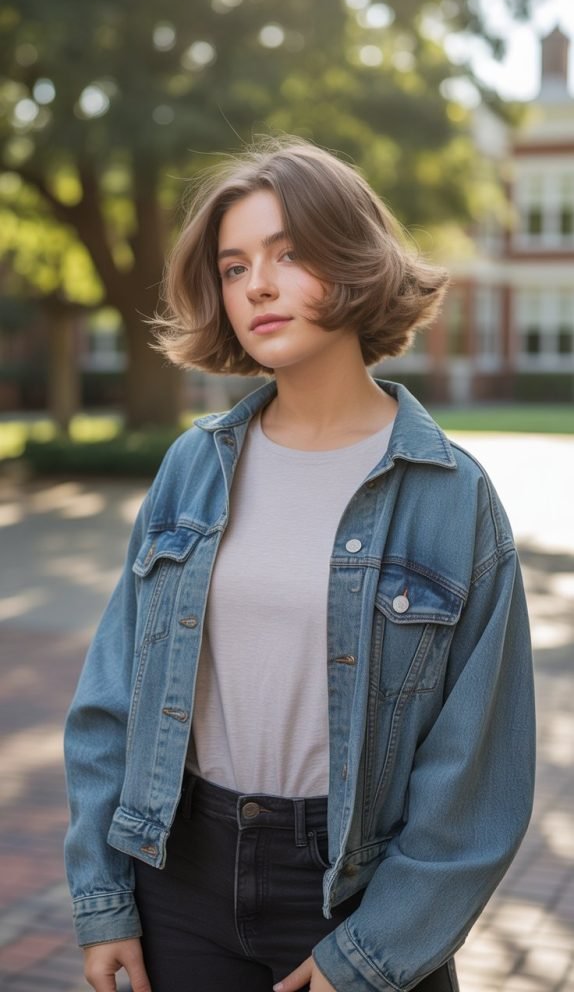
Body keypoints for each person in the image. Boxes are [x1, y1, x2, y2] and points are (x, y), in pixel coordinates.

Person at [64, 136, 535, 992]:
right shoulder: (192, 468)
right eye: (235, 266)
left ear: (354, 261)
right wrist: (105, 901)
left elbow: (478, 780)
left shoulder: (454, 498)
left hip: (359, 895)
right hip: (180, 875)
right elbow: (111, 701)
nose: (259, 287)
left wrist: (370, 954)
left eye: (290, 255)